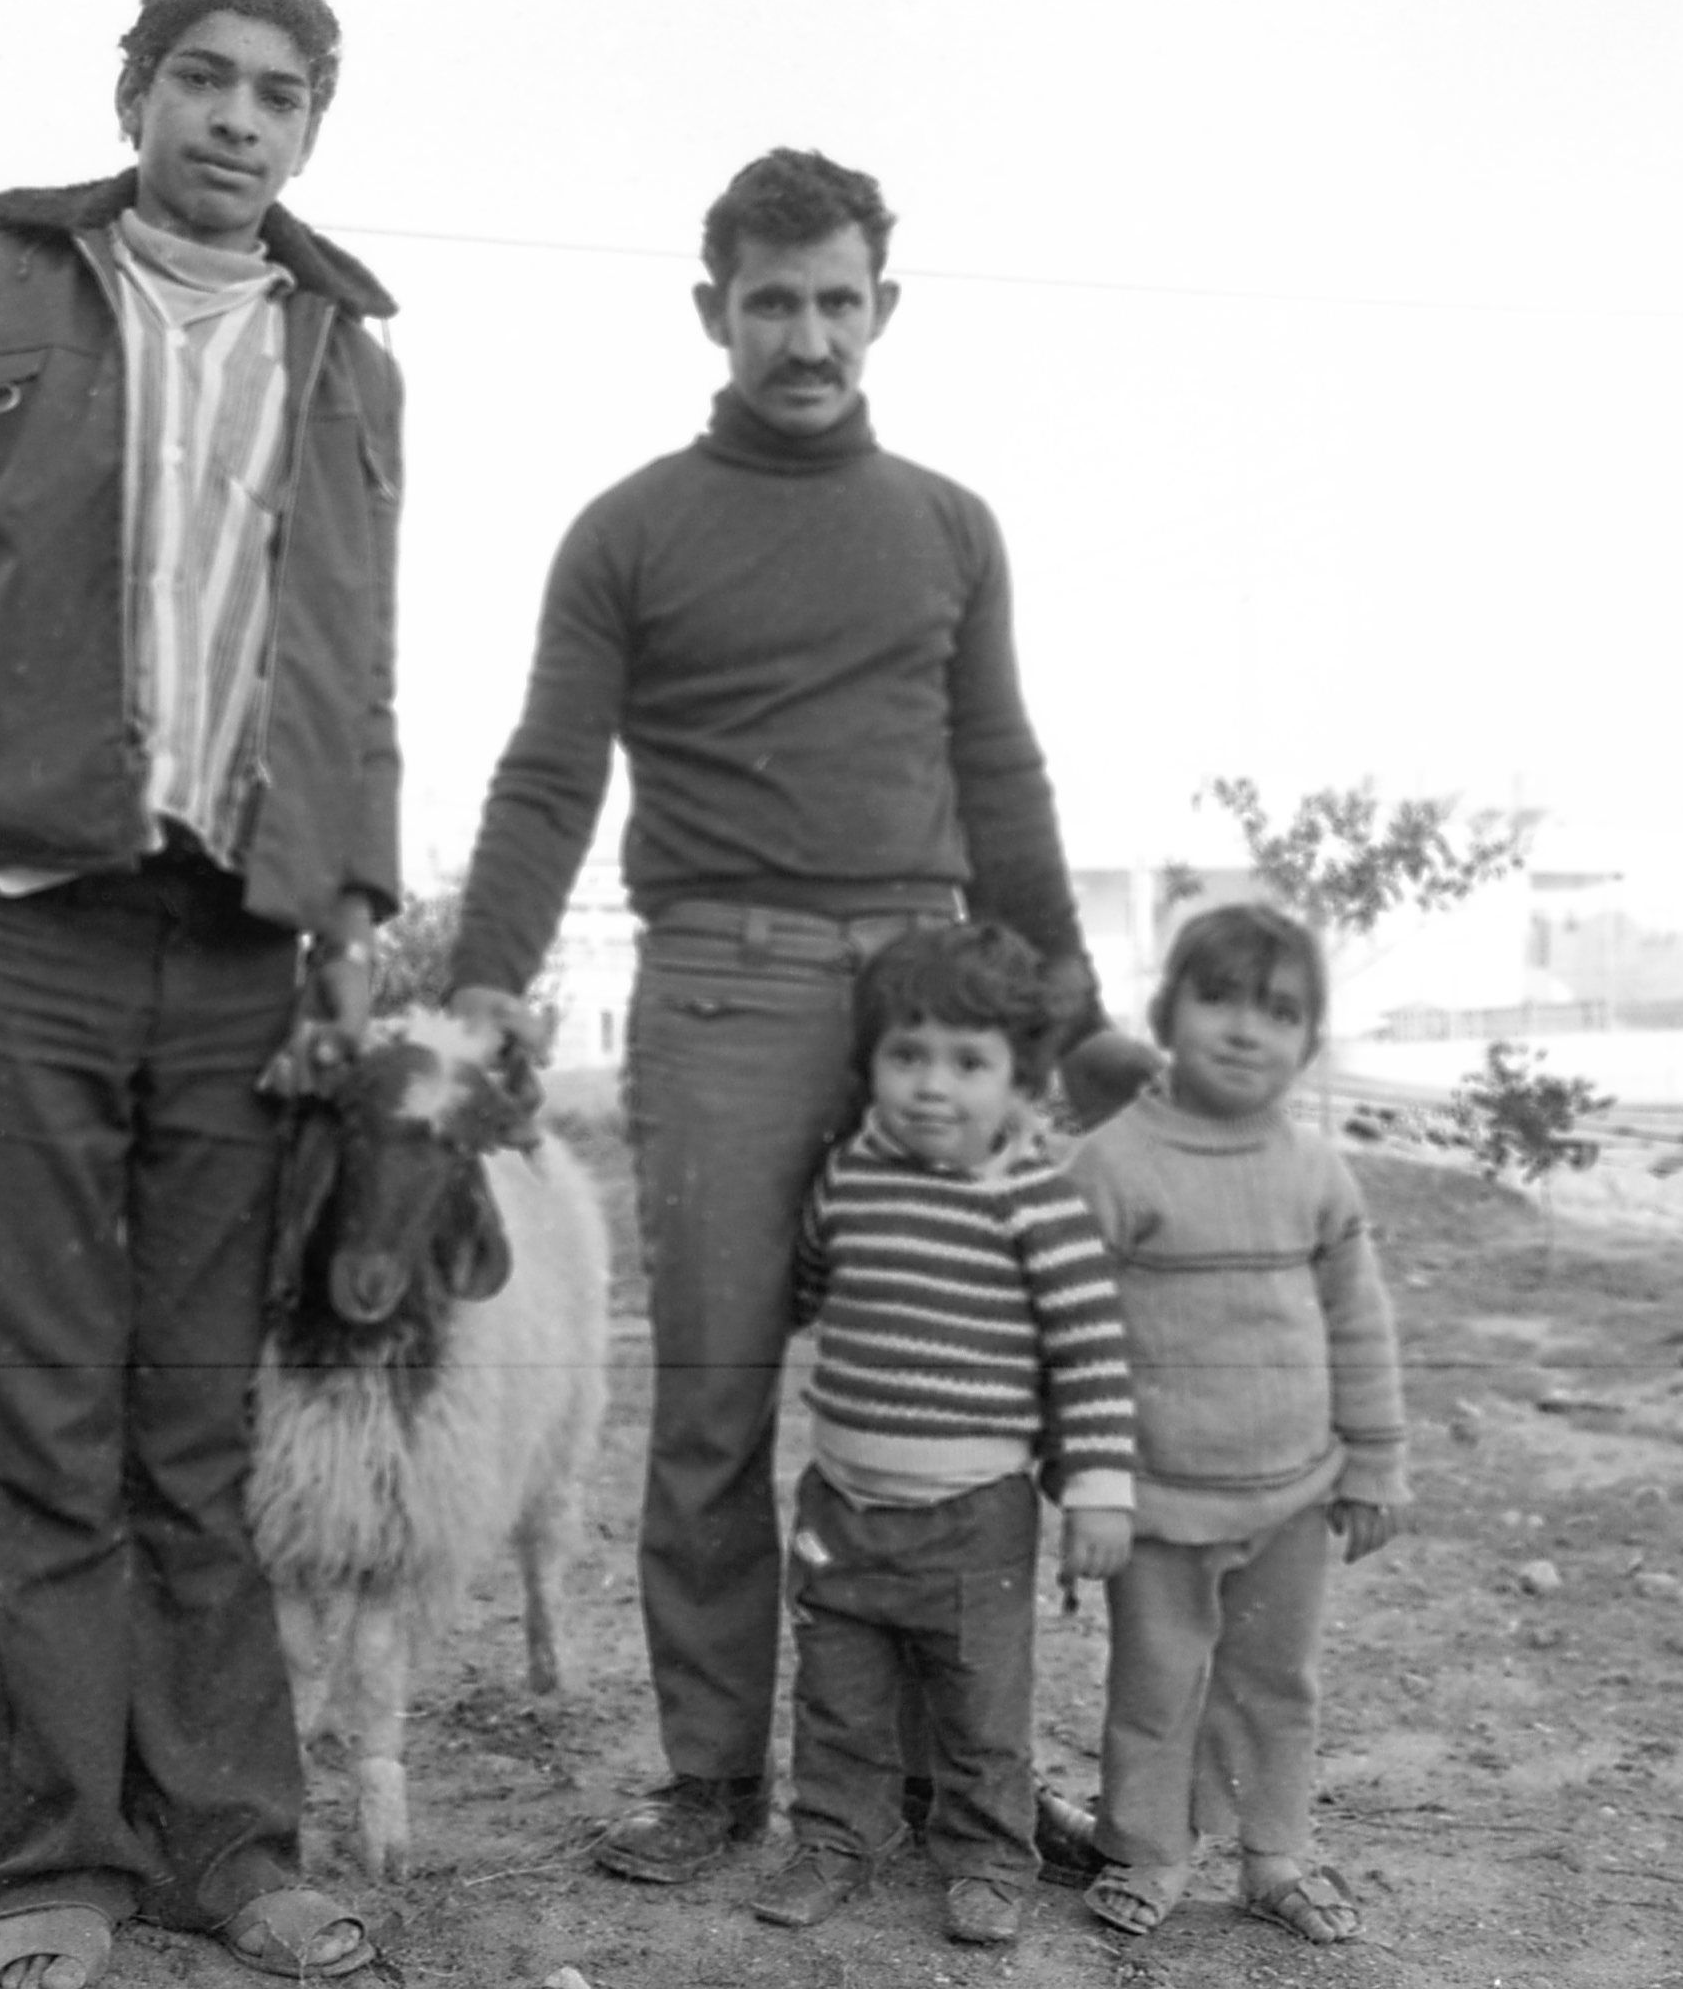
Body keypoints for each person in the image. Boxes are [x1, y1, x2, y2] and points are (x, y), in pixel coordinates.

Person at [0, 0, 399, 1984]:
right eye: (202, 81)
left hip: (240, 943)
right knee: (54, 1416)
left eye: (277, 95)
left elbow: (352, 659)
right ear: (133, 93)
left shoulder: (348, 350)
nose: (237, 120)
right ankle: (55, 1862)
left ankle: (235, 1841)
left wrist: (348, 923)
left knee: (193, 1429)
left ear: (313, 128)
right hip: (32, 927)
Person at [443, 145, 1149, 1885]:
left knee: (963, 1400)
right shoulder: (624, 528)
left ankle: (951, 1787)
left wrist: (1065, 1009)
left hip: (927, 996)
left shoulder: (945, 525)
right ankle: (708, 1782)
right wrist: (478, 986)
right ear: (713, 312)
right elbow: (545, 773)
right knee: (713, 1409)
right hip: (722, 991)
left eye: (837, 300)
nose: (806, 334)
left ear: (880, 309)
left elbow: (999, 768)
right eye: (771, 302)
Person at [755, 924, 1137, 1947]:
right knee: (834, 1699)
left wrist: (1098, 1484)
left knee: (979, 1713)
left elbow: (1088, 1352)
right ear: (871, 1064)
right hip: (839, 1504)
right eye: (906, 1056)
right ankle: (835, 1841)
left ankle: (983, 1859)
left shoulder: (1035, 1202)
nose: (932, 1086)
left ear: (1019, 1081)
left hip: (973, 1517)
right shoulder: (846, 1179)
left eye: (968, 1063)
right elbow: (804, 1286)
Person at [1057, 903, 1409, 1944]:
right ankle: (1148, 1850)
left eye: (1280, 1011)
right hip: (1157, 1503)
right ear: (1165, 1012)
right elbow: (1074, 1342)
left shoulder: (1312, 1171)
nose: (1245, 1030)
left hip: (1294, 1496)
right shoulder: (1111, 1164)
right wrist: (1093, 1484)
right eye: (1216, 999)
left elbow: (1358, 1318)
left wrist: (1376, 1461)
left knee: (1272, 1683)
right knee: (1155, 1683)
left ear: (1310, 1041)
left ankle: (1271, 1855)